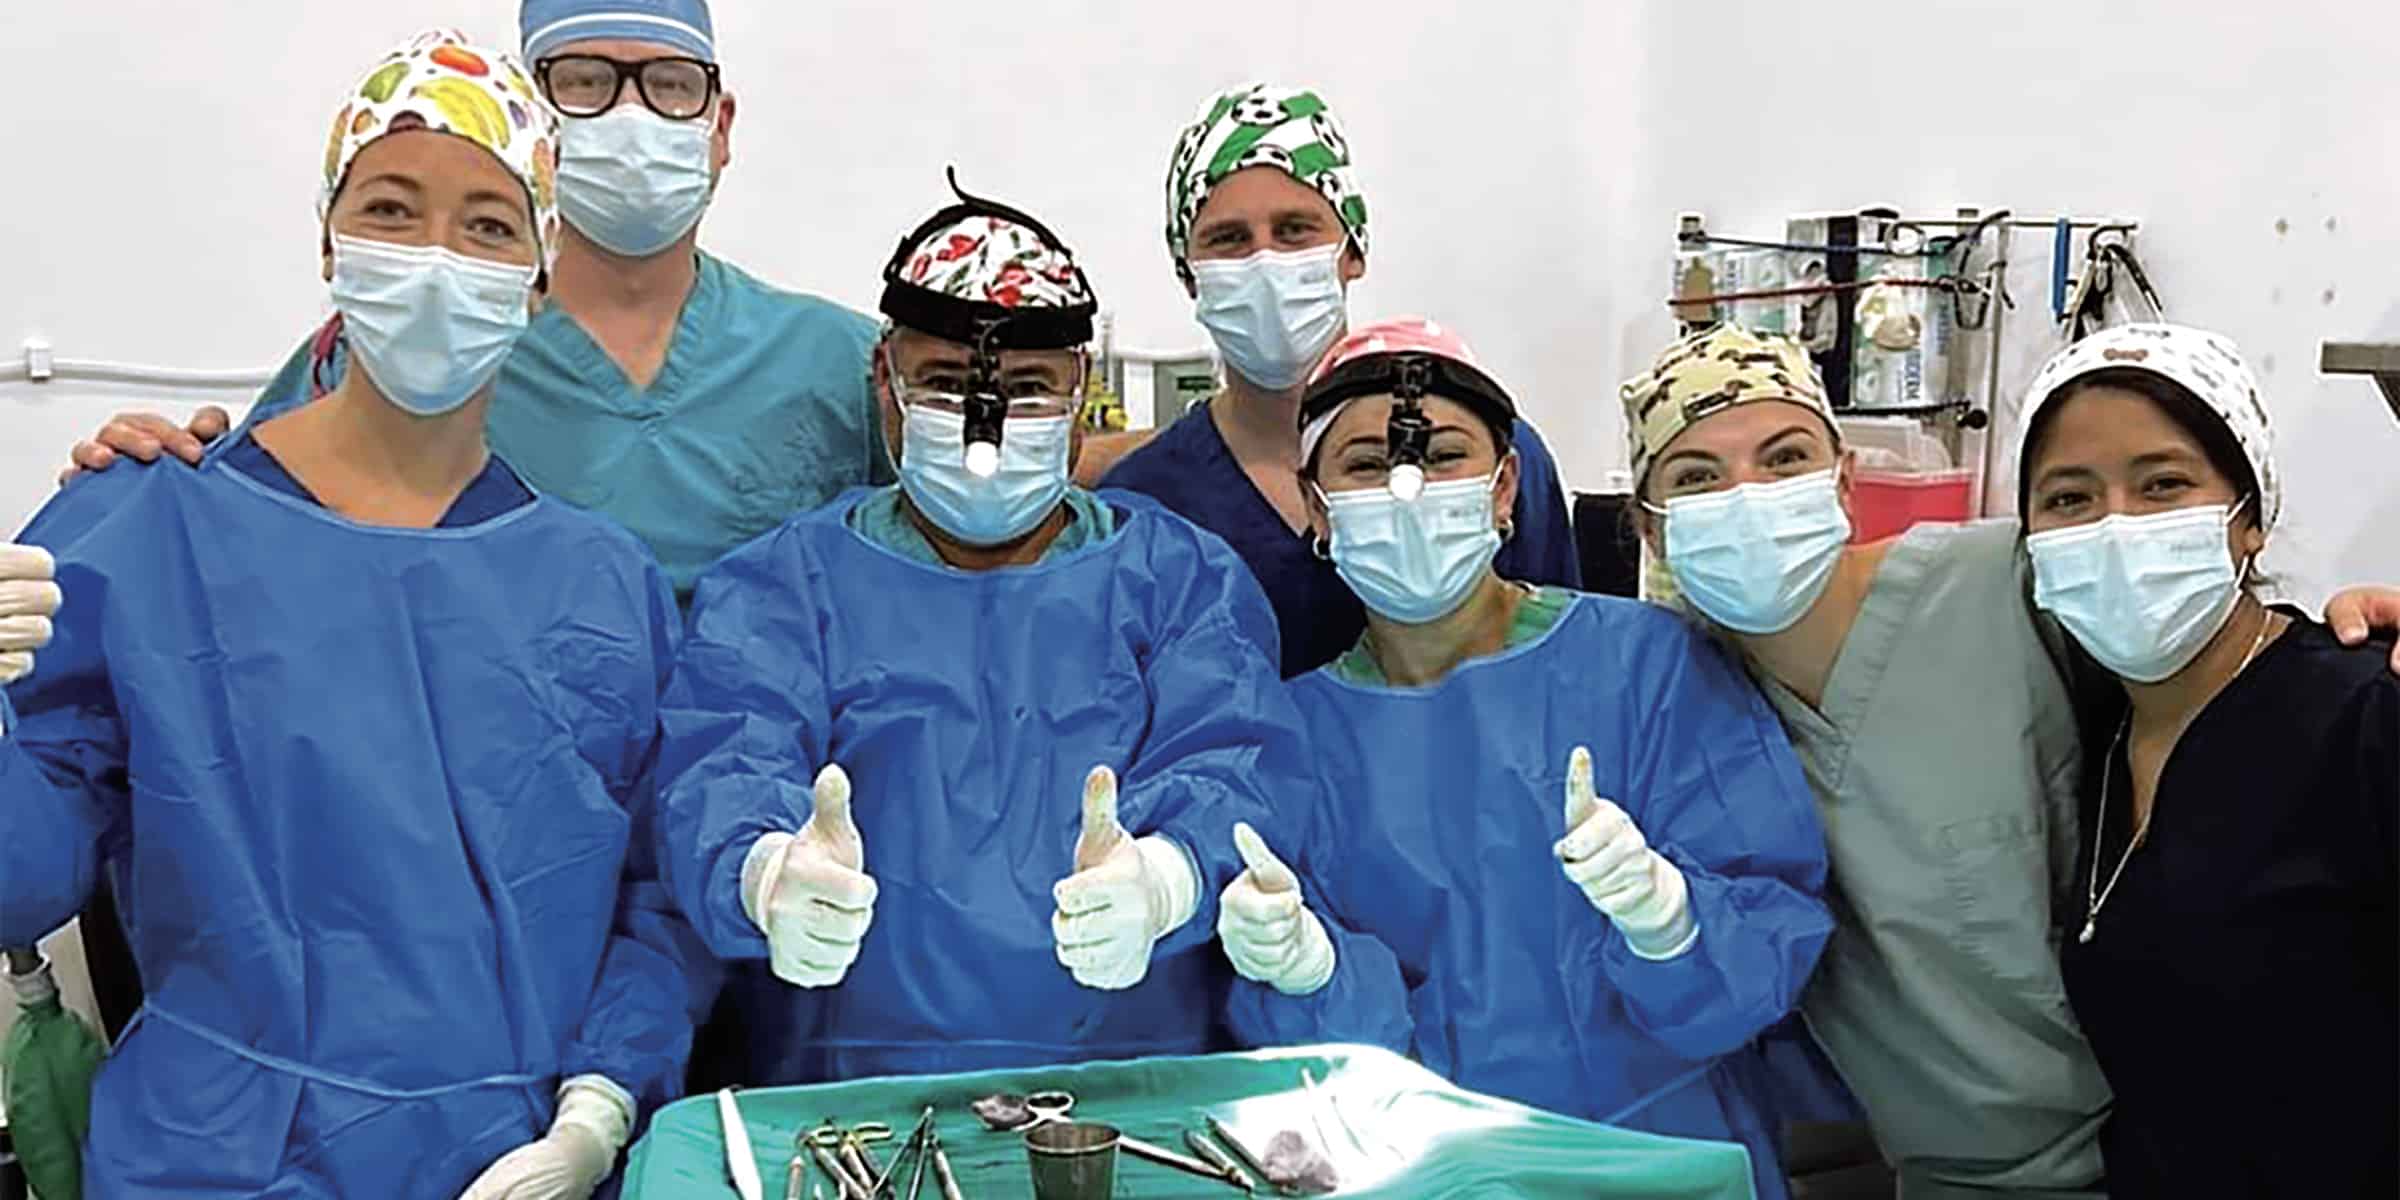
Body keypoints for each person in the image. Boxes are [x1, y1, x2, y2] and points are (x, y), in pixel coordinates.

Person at [0, 32, 691, 1197]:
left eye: (486, 224)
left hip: (511, 1159)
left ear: (538, 269)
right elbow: (22, 885)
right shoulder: (139, 531)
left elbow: (657, 895)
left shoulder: (600, 586)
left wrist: (598, 1107)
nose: (435, 258)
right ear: (328, 238)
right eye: (390, 207)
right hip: (214, 1158)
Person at [655, 179, 1406, 1090]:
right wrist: (765, 874)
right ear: (884, 386)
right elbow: (725, 764)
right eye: (943, 385)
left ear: (1081, 391)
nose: (987, 426)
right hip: (850, 1084)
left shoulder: (1178, 580)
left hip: (1132, 1086)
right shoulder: (784, 589)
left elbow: (1236, 767)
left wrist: (1166, 878)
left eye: (1027, 389)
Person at [1621, 323, 2400, 1198]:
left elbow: (2205, 648)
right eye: (1695, 477)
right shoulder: (1660, 695)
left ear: (1843, 477)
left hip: (2141, 1145)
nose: (1747, 499)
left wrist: (2359, 633)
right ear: (1645, 523)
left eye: (1784, 456)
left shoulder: (2004, 597)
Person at [1232, 317, 1832, 1200]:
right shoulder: (1295, 735)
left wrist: (1670, 921)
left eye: (1443, 455)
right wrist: (1304, 972)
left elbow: (1759, 954)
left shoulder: (1647, 667)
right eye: (1365, 465)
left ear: (1506, 486)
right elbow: (1325, 1058)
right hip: (1427, 1173)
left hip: (1659, 1161)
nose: (1407, 488)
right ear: (1315, 506)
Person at [67, 0, 886, 601]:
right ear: (533, 114)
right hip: (502, 793)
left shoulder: (838, 362)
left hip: (774, 809)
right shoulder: (406, 346)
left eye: (671, 85)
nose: (631, 116)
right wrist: (146, 475)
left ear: (720, 123)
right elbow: (246, 534)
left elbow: (952, 569)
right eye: (586, 81)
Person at [2015, 325, 2396, 1197]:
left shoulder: (2361, 719)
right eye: (2069, 499)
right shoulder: (2102, 735)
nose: (2117, 526)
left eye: (2163, 485)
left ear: (2249, 519)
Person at [1096, 84, 1581, 676]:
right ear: (1188, 271)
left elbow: (1566, 667)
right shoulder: (1144, 504)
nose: (1265, 261)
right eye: (1229, 239)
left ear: (1353, 249)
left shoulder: (1485, 458)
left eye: (1295, 229)